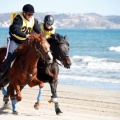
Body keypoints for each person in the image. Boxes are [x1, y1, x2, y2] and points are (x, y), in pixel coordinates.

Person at [0, 4, 42, 84]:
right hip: (14, 40)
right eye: (29, 14)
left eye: (32, 14)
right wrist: (25, 35)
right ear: (24, 13)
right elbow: (15, 30)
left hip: (24, 41)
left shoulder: (34, 20)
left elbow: (39, 31)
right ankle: (1, 74)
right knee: (9, 56)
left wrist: (43, 39)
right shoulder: (18, 19)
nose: (30, 16)